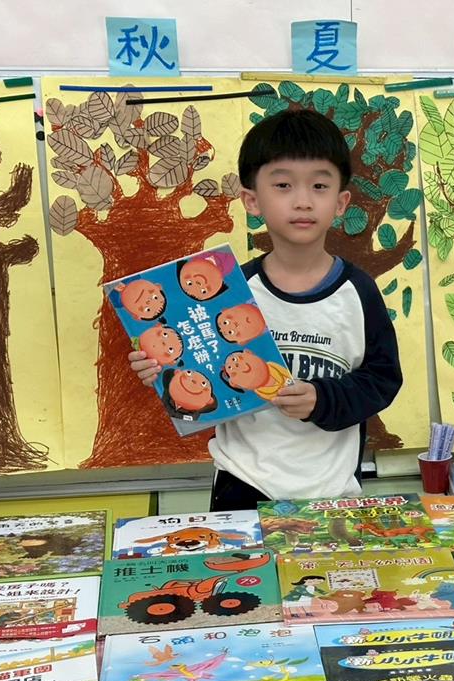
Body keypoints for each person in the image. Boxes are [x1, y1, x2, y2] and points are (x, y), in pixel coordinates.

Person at [128, 109, 402, 510]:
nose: (303, 201)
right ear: (252, 200)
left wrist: (323, 399)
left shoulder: (358, 292)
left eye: (320, 186)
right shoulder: (227, 292)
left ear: (341, 202)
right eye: (283, 185)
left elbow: (382, 380)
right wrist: (160, 368)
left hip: (331, 488)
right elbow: (197, 385)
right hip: (242, 483)